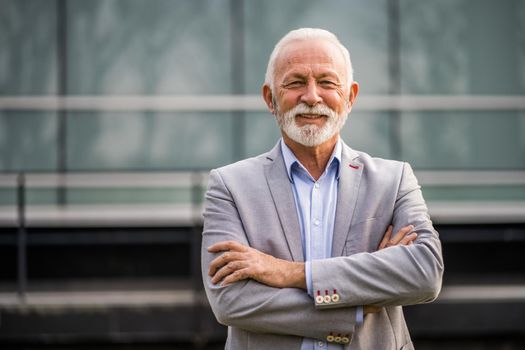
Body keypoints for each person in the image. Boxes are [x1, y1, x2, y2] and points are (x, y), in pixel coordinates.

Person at [201, 28, 443, 350]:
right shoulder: (229, 186)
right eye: (295, 82)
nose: (312, 96)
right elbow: (231, 301)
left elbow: (425, 272)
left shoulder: (394, 180)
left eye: (327, 83)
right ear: (270, 99)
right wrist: (360, 306)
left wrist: (291, 273)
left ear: (350, 97)